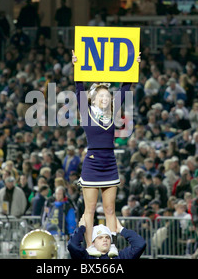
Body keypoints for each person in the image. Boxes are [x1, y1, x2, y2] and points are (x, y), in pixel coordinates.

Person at [71, 50, 141, 256]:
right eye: (100, 94)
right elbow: (78, 88)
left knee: (110, 209)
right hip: (92, 163)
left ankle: (110, 244)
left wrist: (133, 65)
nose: (105, 97)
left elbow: (126, 87)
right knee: (90, 210)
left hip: (110, 162)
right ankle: (91, 245)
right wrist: (77, 65)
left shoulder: (112, 113)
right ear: (93, 99)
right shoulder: (85, 112)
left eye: (107, 95)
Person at [68, 214, 146, 259]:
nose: (105, 240)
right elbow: (72, 245)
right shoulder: (87, 257)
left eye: (107, 237)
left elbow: (140, 244)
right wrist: (81, 228)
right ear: (93, 242)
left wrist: (122, 230)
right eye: (100, 238)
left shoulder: (120, 257)